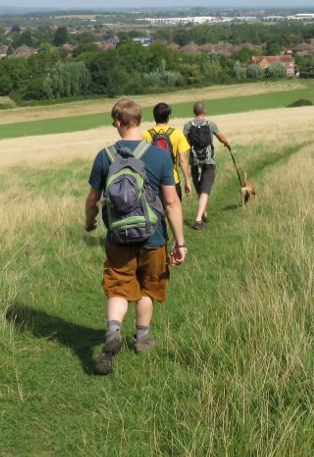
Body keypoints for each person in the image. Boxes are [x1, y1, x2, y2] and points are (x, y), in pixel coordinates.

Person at [85, 98, 187, 376]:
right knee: (147, 287)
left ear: (117, 122)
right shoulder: (159, 156)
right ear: (139, 121)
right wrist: (180, 243)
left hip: (118, 237)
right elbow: (172, 203)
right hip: (153, 237)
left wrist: (89, 222)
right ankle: (142, 339)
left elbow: (93, 198)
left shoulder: (104, 156)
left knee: (118, 286)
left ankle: (113, 330)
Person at [183, 101, 231, 230]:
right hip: (209, 161)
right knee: (205, 190)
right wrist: (227, 144)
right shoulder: (210, 124)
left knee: (200, 189)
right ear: (204, 111)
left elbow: (185, 145)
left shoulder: (187, 126)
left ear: (194, 112)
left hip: (195, 162)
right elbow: (221, 138)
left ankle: (203, 213)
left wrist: (185, 162)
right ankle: (198, 219)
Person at [142, 102, 192, 201]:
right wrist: (187, 181)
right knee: (174, 211)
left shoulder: (145, 135)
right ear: (168, 116)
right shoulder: (177, 134)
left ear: (154, 116)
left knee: (155, 214)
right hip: (172, 179)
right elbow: (183, 159)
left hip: (152, 180)